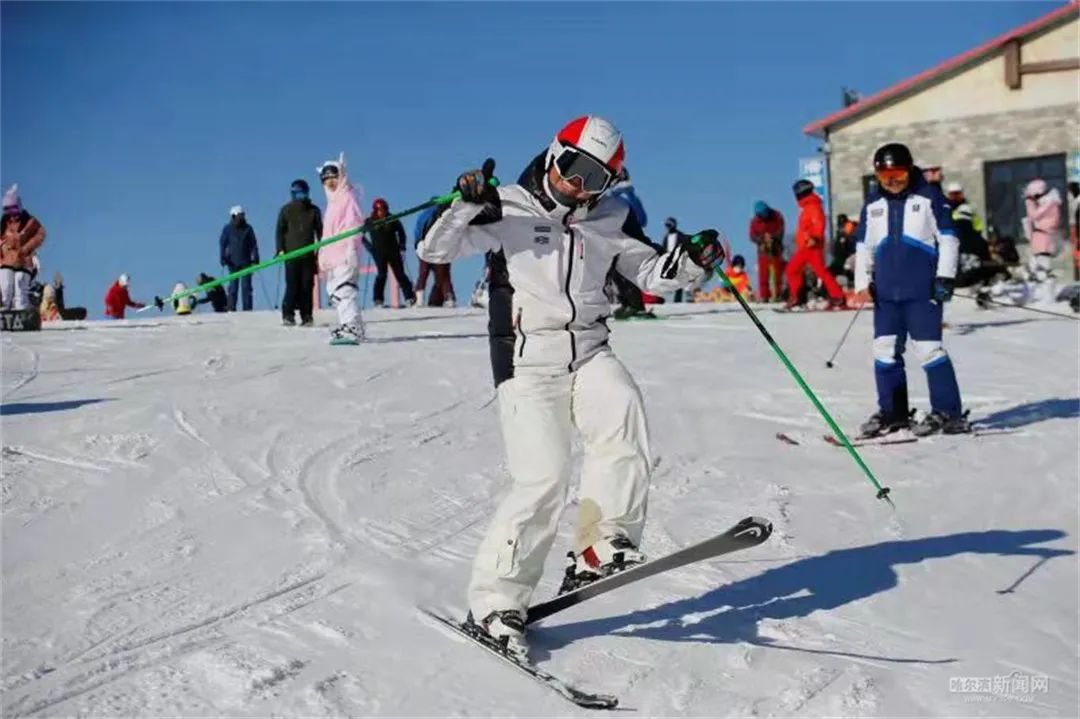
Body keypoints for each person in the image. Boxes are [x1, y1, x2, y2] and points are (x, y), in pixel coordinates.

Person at [416, 115, 723, 657]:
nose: (581, 186)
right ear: (555, 155)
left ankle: (599, 547)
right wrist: (464, 201)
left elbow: (652, 272)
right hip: (526, 361)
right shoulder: (506, 205)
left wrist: (692, 263)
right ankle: (494, 603)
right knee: (544, 477)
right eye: (576, 170)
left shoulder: (610, 217)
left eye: (597, 179)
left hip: (589, 351)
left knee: (622, 408)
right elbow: (433, 251)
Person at [853, 142, 969, 437]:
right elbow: (863, 246)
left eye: (899, 175)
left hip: (922, 290)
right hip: (887, 294)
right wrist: (862, 282)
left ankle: (948, 412)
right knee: (885, 350)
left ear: (910, 170)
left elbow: (948, 238)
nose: (892, 182)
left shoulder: (929, 197)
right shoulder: (872, 205)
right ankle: (894, 413)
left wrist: (944, 277)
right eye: (885, 176)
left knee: (929, 350)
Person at [317, 154, 365, 344]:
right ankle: (354, 325)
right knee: (335, 293)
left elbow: (355, 224)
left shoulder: (347, 197)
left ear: (341, 176)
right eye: (326, 178)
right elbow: (327, 234)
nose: (330, 182)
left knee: (344, 290)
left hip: (345, 254)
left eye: (333, 177)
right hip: (333, 257)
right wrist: (322, 255)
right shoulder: (332, 203)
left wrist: (352, 249)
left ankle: (351, 326)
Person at [784, 180, 845, 309]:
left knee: (793, 270)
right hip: (807, 246)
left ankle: (798, 297)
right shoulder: (808, 206)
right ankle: (836, 295)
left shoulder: (812, 206)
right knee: (818, 271)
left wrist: (815, 238)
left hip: (811, 246)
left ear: (802, 192)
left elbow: (819, 223)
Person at [276, 179, 322, 326]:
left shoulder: (313, 210)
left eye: (303, 194)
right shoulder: (286, 210)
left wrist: (321, 251)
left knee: (307, 286)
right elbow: (279, 232)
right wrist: (280, 249)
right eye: (298, 194)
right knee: (292, 285)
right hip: (291, 255)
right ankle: (288, 314)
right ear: (293, 194)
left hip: (308, 255)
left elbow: (321, 232)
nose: (301, 197)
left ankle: (307, 315)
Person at [0, 185, 46, 312]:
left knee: (20, 283)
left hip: (23, 260)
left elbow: (41, 234)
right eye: (8, 211)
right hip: (6, 260)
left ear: (19, 208)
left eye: (14, 211)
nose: (12, 215)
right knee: (5, 285)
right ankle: (4, 310)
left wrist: (27, 248)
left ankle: (21, 310)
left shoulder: (29, 222)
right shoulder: (3, 223)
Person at [367, 198, 416, 308]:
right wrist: (369, 247)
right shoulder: (370, 221)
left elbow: (401, 233)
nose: (381, 212)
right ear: (375, 210)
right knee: (381, 275)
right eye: (379, 210)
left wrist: (402, 246)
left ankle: (410, 298)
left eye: (383, 209)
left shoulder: (392, 219)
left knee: (400, 274)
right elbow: (360, 235)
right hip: (378, 253)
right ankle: (378, 300)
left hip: (393, 251)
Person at [1022, 178, 1063, 300]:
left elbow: (1033, 215)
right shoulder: (1045, 203)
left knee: (1043, 269)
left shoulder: (1050, 203)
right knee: (1033, 269)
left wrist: (1029, 203)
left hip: (1044, 239)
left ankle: (1047, 297)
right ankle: (1034, 296)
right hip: (1039, 239)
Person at [414, 204, 458, 307]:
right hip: (441, 249)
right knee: (443, 275)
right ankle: (448, 297)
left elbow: (418, 232)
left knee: (423, 274)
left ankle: (420, 299)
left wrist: (418, 246)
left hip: (426, 248)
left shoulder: (425, 215)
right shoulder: (448, 215)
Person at [219, 206, 260, 311]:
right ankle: (231, 308)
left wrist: (256, 257)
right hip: (232, 263)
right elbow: (223, 244)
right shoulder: (227, 229)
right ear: (233, 216)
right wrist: (222, 257)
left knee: (246, 287)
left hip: (246, 262)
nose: (241, 218)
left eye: (242, 216)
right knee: (233, 288)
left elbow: (253, 244)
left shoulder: (248, 228)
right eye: (239, 216)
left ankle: (247, 310)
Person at [748, 201, 785, 302]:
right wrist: (762, 239)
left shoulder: (777, 216)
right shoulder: (754, 221)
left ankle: (778, 295)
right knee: (763, 275)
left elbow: (781, 230)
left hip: (776, 249)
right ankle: (765, 296)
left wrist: (773, 237)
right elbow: (752, 236)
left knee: (778, 274)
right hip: (763, 251)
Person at [664, 217, 689, 302]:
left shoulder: (681, 236)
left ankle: (677, 300)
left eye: (669, 225)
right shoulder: (666, 237)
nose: (668, 227)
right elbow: (664, 248)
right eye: (667, 225)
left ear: (674, 225)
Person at [828, 214, 858, 286]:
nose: (841, 227)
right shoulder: (841, 234)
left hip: (849, 257)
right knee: (831, 271)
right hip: (842, 258)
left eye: (842, 225)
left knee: (846, 267)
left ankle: (852, 284)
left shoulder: (849, 231)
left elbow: (850, 246)